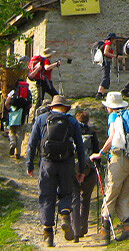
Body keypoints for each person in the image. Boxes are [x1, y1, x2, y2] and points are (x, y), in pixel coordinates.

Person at [90, 92, 129, 243]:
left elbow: (112, 138)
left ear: (109, 107)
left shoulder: (113, 116)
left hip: (120, 159)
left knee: (111, 194)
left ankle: (104, 233)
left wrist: (99, 154)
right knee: (124, 196)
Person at [27, 95, 87, 247]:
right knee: (66, 193)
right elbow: (80, 147)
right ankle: (65, 215)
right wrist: (81, 169)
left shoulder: (41, 119)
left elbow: (32, 143)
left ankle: (48, 234)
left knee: (46, 196)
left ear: (52, 106)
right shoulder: (72, 121)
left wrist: (30, 164)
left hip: (47, 163)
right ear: (65, 107)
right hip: (66, 163)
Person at [71, 109, 101, 242]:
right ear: (88, 121)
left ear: (77, 120)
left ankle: (75, 229)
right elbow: (96, 152)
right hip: (89, 170)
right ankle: (84, 227)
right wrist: (98, 166)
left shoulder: (72, 132)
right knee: (86, 199)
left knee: (75, 198)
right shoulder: (92, 133)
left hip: (74, 169)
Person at [4, 78, 32, 159]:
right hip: (22, 116)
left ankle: (12, 143)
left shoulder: (13, 91)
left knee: (12, 131)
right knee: (20, 134)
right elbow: (30, 104)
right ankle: (18, 153)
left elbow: (6, 102)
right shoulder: (28, 92)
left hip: (12, 114)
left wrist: (9, 108)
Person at [96, 33, 118, 100]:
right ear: (112, 39)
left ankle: (102, 94)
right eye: (114, 39)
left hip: (107, 63)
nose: (115, 40)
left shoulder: (108, 44)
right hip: (105, 63)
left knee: (107, 78)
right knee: (105, 78)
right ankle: (99, 94)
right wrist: (115, 56)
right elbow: (105, 52)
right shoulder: (108, 43)